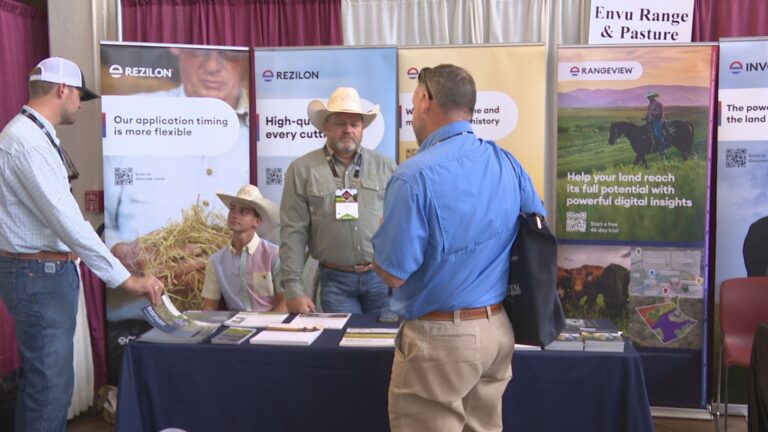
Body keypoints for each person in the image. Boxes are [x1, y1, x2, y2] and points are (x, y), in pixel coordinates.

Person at [371, 64, 545, 431]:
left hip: (441, 341)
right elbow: (537, 231)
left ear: (424, 100)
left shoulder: (413, 176)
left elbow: (392, 273)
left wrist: (385, 233)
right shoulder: (507, 163)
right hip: (497, 330)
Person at [0, 57, 164, 432]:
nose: (79, 104)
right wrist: (125, 279)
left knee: (40, 383)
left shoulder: (31, 136)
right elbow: (69, 221)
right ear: (62, 90)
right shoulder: (27, 142)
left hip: (36, 272)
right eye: (79, 96)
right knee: (51, 387)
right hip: (38, 275)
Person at [104, 47, 251, 246]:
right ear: (176, 49)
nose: (212, 66)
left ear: (247, 56)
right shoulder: (132, 117)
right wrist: (124, 253)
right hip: (143, 276)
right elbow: (100, 224)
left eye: (229, 54)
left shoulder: (268, 131)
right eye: (198, 51)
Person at [280, 87, 397, 314]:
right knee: (342, 347)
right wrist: (293, 289)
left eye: (355, 124)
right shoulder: (302, 170)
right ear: (326, 126)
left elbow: (401, 225)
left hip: (381, 279)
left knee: (382, 347)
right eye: (340, 123)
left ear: (363, 129)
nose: (348, 130)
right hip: (335, 282)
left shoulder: (386, 167)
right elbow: (293, 231)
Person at [201, 184, 286, 312]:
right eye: (232, 209)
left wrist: (266, 326)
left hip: (269, 326)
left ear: (257, 221)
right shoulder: (216, 261)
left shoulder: (274, 255)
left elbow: (286, 303)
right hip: (235, 328)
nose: (235, 215)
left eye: (243, 211)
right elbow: (209, 308)